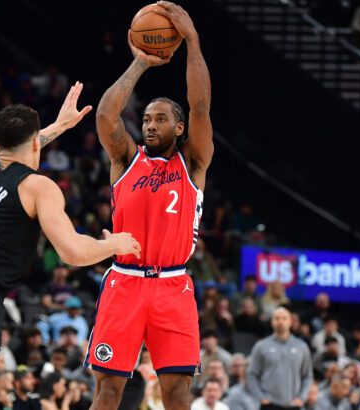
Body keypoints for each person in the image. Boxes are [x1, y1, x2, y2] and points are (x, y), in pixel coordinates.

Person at [0, 84, 141, 410]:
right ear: (34, 142)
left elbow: (14, 149)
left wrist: (59, 126)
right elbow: (72, 252)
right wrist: (112, 244)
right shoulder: (37, 186)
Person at [86, 3, 214, 409]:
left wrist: (191, 41)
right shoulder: (126, 158)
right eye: (145, 119)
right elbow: (106, 114)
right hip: (124, 281)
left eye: (160, 119)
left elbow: (201, 107)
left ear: (179, 128)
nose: (150, 125)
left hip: (173, 286)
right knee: (108, 391)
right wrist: (140, 63)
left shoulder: (192, 162)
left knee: (177, 393)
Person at [247, 307, 313, 409]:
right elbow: (252, 374)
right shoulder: (261, 346)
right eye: (276, 318)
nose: (280, 321)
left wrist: (302, 397)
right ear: (271, 322)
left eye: (284, 318)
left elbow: (307, 376)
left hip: (293, 404)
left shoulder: (302, 347)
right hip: (269, 404)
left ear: (291, 321)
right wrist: (260, 396)